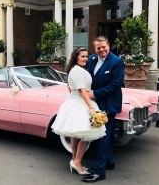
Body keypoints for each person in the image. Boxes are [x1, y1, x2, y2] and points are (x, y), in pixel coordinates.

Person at [51, 47, 106, 175]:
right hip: (80, 103)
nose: (86, 59)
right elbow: (82, 91)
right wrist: (91, 107)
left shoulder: (80, 69)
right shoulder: (76, 71)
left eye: (87, 56)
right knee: (86, 133)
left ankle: (75, 160)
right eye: (82, 56)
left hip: (79, 101)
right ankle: (77, 162)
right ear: (76, 57)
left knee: (77, 133)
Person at [82, 36, 125, 183]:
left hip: (109, 104)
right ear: (95, 49)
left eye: (103, 47)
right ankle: (108, 162)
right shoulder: (92, 59)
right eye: (98, 48)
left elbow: (115, 85)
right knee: (104, 135)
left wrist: (94, 93)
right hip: (95, 103)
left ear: (109, 45)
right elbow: (85, 76)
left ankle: (99, 171)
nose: (101, 50)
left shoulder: (117, 62)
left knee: (101, 136)